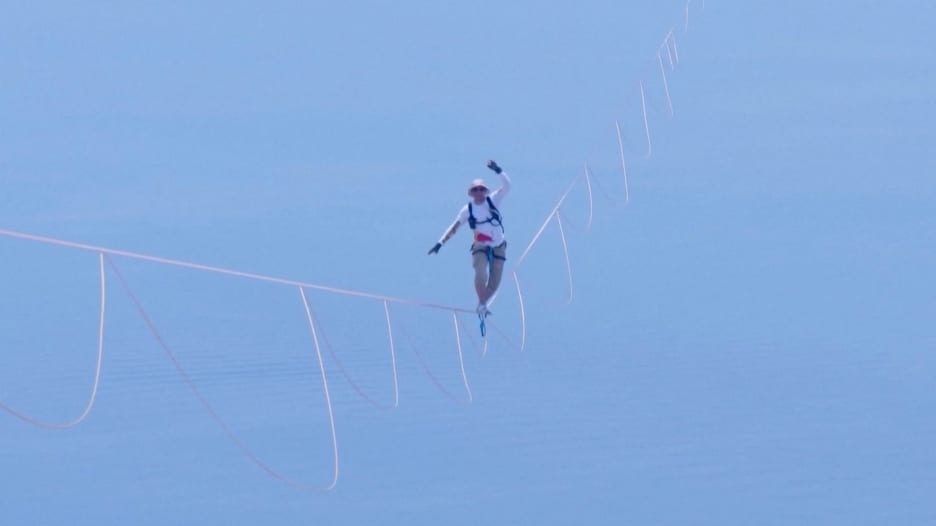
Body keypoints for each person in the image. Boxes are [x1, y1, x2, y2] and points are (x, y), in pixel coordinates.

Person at [428, 160, 512, 319]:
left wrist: (498, 170)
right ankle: (481, 303)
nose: (479, 192)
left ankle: (483, 303)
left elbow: (508, 186)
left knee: (495, 282)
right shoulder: (468, 209)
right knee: (480, 272)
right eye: (475, 189)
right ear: (471, 193)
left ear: (485, 191)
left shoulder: (493, 200)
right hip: (481, 244)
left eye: (481, 189)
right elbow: (455, 226)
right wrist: (440, 243)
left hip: (499, 245)